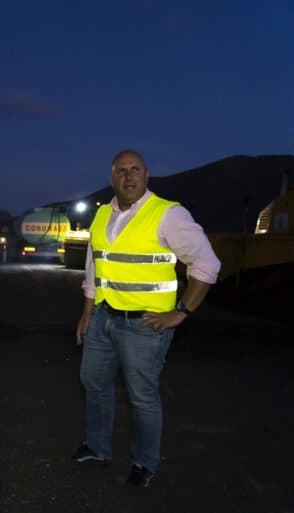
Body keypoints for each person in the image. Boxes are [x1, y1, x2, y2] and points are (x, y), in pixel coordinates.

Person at [73, 150, 220, 487]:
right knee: (93, 383)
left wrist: (180, 313)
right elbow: (94, 265)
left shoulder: (168, 214)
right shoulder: (102, 214)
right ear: (112, 177)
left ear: (146, 174)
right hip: (103, 317)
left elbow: (207, 264)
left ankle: (144, 463)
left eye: (135, 169)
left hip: (144, 326)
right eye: (121, 171)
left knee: (142, 396)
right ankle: (97, 448)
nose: (129, 176)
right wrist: (87, 312)